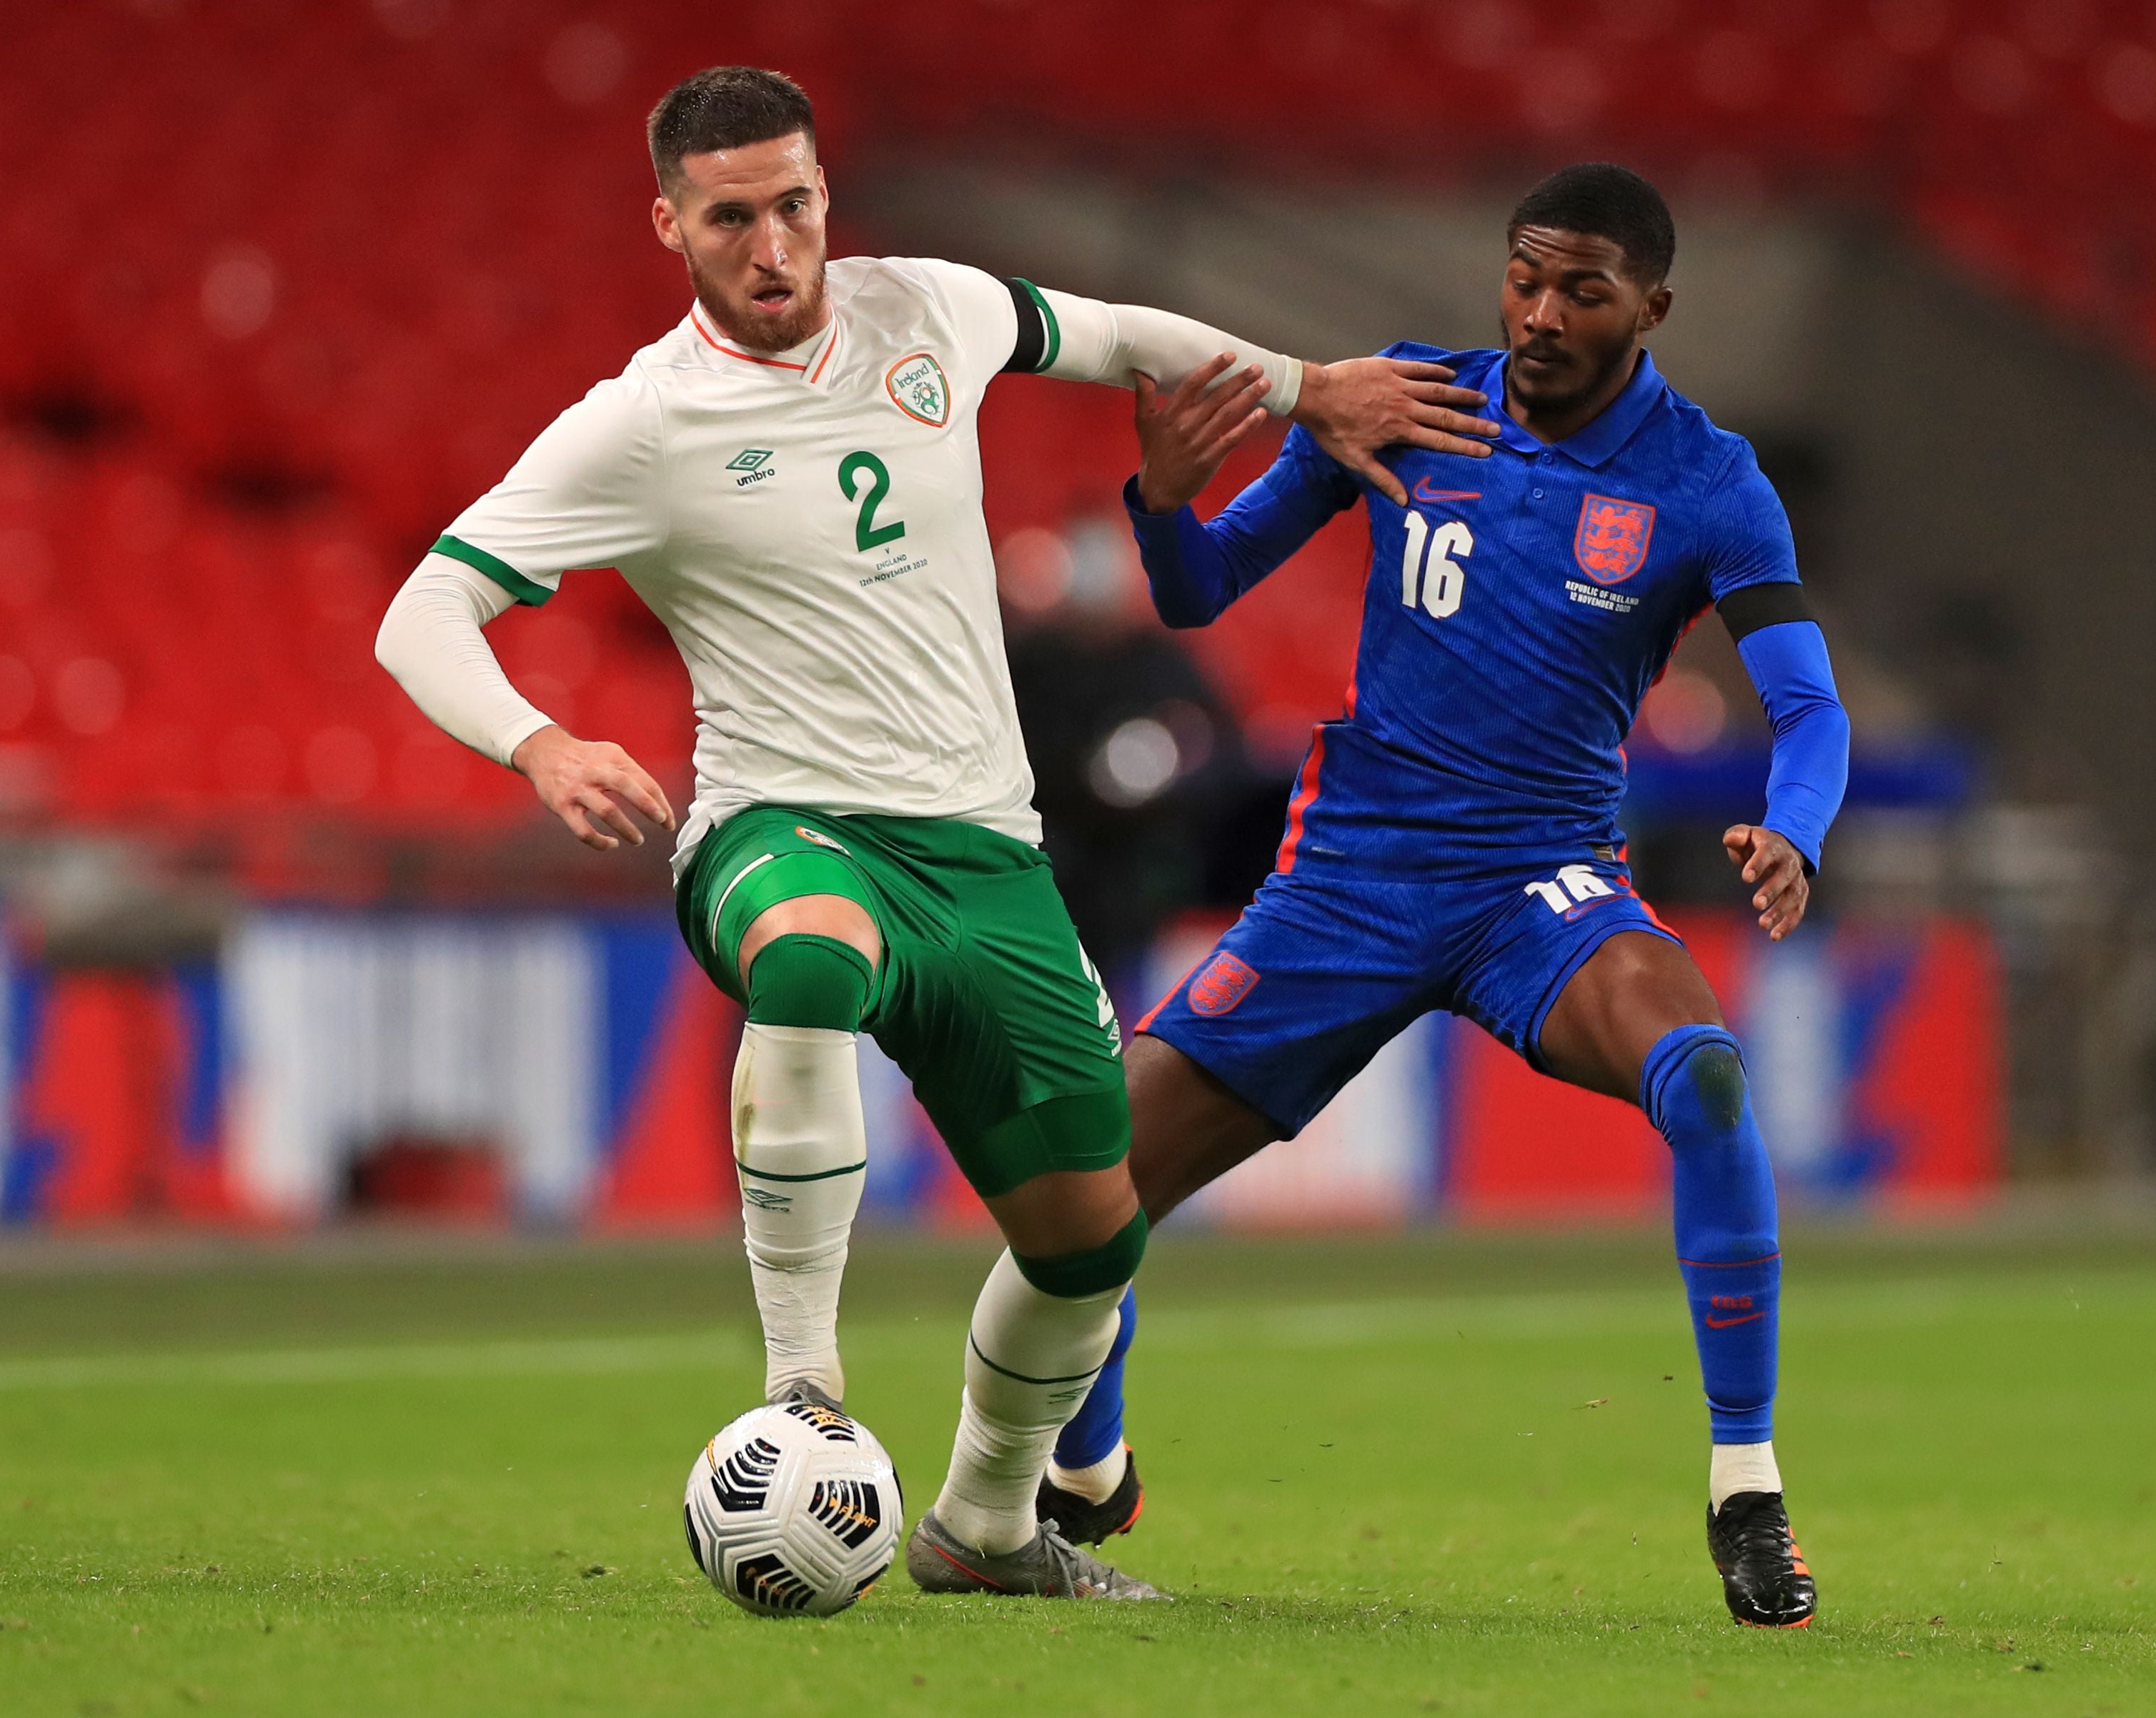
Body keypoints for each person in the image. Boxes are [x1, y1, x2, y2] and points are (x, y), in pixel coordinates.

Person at [372, 64, 1499, 1602]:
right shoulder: (640, 422)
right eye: (730, 218)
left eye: (794, 206)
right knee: (814, 961)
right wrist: (542, 738)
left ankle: (984, 1527)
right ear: (670, 225)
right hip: (782, 823)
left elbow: (1113, 337)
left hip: (984, 852)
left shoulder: (930, 312)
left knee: (1091, 1238)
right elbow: (425, 609)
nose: (772, 247)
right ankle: (801, 1393)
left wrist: (1310, 386)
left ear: (825, 194)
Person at [1037, 164, 1849, 1629]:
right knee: (1087, 1185)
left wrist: (1795, 826)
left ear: (1652, 307)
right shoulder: (1401, 399)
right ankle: (1090, 1470)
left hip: (1539, 883)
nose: (1540, 313)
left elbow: (1810, 708)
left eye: (1582, 290)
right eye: (1525, 277)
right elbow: (1200, 588)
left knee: (1710, 1079)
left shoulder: (1708, 480)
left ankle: (1745, 1484)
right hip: (1346, 883)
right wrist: (1163, 498)